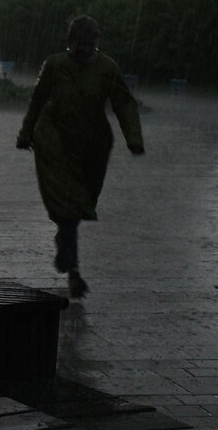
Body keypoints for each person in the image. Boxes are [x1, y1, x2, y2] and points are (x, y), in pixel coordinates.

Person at [15, 15, 144, 298]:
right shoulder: (55, 65)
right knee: (69, 207)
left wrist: (133, 138)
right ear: (69, 43)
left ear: (97, 43)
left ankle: (65, 240)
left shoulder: (107, 68)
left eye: (90, 44)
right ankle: (74, 272)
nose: (85, 50)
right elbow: (37, 100)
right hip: (55, 143)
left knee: (80, 204)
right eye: (80, 44)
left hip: (92, 146)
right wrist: (26, 133)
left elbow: (123, 102)